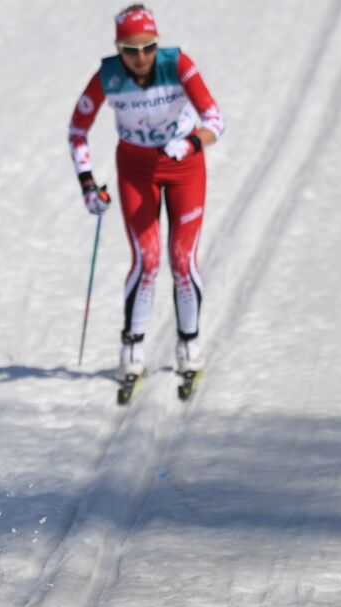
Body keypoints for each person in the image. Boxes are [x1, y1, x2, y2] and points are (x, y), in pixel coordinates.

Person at [68, 4, 225, 383]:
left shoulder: (178, 65)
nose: (140, 57)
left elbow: (216, 120)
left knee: (182, 260)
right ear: (118, 48)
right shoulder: (107, 76)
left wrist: (190, 144)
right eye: (130, 50)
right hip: (137, 171)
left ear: (158, 44)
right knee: (148, 259)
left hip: (185, 169)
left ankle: (189, 343)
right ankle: (132, 349)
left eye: (148, 47)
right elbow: (77, 130)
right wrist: (88, 184)